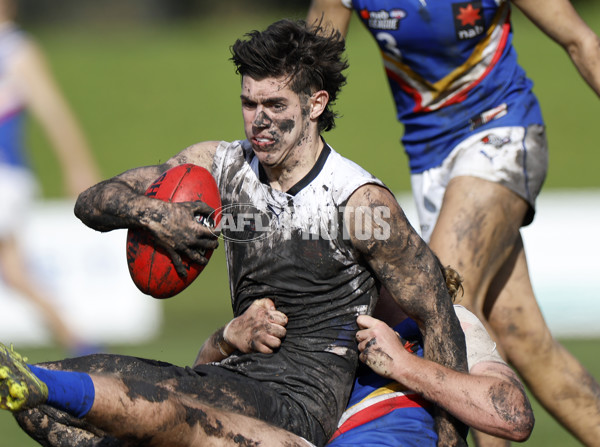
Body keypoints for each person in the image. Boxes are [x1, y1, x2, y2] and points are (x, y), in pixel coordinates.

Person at [0, 19, 469, 447]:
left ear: (316, 103)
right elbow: (92, 202)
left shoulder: (358, 203)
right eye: (249, 103)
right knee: (40, 399)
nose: (258, 119)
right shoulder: (223, 167)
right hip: (230, 378)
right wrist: (155, 216)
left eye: (274, 104)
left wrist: (449, 443)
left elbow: (438, 316)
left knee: (138, 402)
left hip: (295, 406)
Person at [307, 1, 600, 446]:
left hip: (503, 133)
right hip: (430, 164)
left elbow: (583, 41)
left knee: (444, 312)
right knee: (526, 345)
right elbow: (307, 74)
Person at [197, 266, 535, 446]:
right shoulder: (302, 327)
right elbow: (201, 405)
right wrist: (226, 338)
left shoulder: (442, 325)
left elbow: (513, 416)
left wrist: (404, 365)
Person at [0, 0, 101, 353]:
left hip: (4, 175)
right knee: (14, 274)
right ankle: (84, 345)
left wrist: (78, 165)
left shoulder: (15, 49)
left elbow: (53, 111)